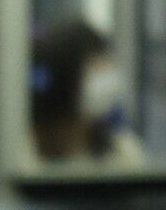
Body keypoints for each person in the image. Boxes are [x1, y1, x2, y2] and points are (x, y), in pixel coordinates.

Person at [28, 19, 145, 167]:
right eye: (95, 67)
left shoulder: (123, 153)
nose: (106, 74)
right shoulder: (24, 153)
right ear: (65, 77)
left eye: (106, 62)